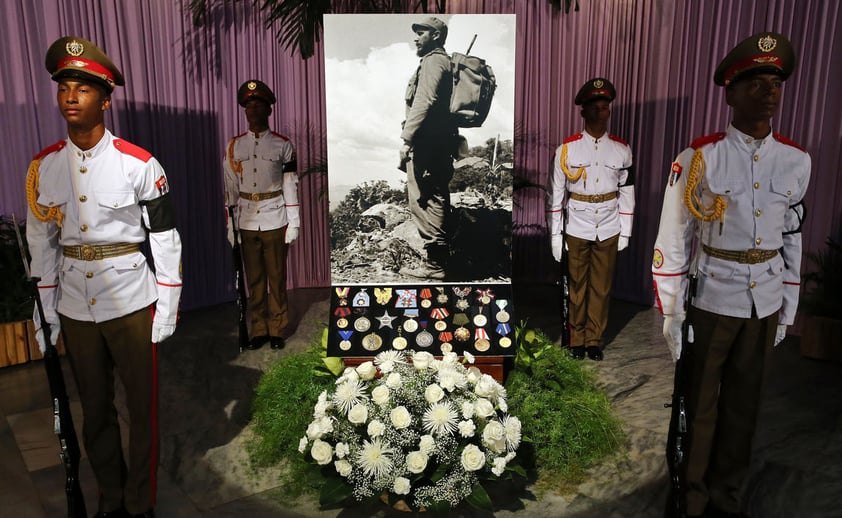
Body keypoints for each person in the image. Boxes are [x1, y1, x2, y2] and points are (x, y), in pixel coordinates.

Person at [652, 32, 809, 517]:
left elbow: (792, 236)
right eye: (756, 82)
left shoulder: (796, 161)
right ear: (730, 92)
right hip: (712, 297)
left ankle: (728, 497)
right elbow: (672, 237)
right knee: (697, 408)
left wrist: (788, 306)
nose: (769, 92)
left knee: (744, 408)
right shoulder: (698, 158)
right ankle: (691, 499)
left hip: (763, 300)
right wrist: (672, 310)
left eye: (775, 82)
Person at [26, 36, 182, 518]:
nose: (71, 96)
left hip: (133, 300)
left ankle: (140, 503)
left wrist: (168, 304)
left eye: (84, 89)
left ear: (106, 99)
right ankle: (110, 499)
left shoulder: (139, 163)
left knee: (141, 410)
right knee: (94, 411)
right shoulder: (45, 167)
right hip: (75, 302)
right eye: (64, 87)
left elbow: (165, 236)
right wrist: (46, 311)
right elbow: (41, 243)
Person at [547, 78, 635, 361]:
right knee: (576, 286)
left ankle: (594, 340)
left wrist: (626, 231)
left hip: (609, 224)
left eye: (605, 106)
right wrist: (555, 235)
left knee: (601, 286)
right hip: (577, 224)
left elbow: (627, 190)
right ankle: (575, 338)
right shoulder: (568, 149)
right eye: (594, 107)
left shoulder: (621, 149)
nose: (600, 112)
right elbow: (555, 194)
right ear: (583, 112)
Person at [223, 80, 299, 350]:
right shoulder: (234, 146)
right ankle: (259, 329)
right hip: (245, 219)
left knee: (276, 277)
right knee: (254, 279)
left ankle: (277, 327)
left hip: (275, 218)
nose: (252, 110)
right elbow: (230, 189)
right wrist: (231, 227)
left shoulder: (282, 145)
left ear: (269, 110)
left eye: (258, 105)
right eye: (248, 106)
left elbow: (290, 184)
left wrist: (294, 223)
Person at [398, 17, 458, 280]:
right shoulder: (437, 61)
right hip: (437, 141)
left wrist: (407, 138)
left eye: (421, 33)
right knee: (433, 196)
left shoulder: (434, 61)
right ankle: (437, 262)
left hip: (428, 143)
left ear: (435, 36)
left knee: (427, 199)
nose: (415, 37)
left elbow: (424, 100)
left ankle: (435, 266)